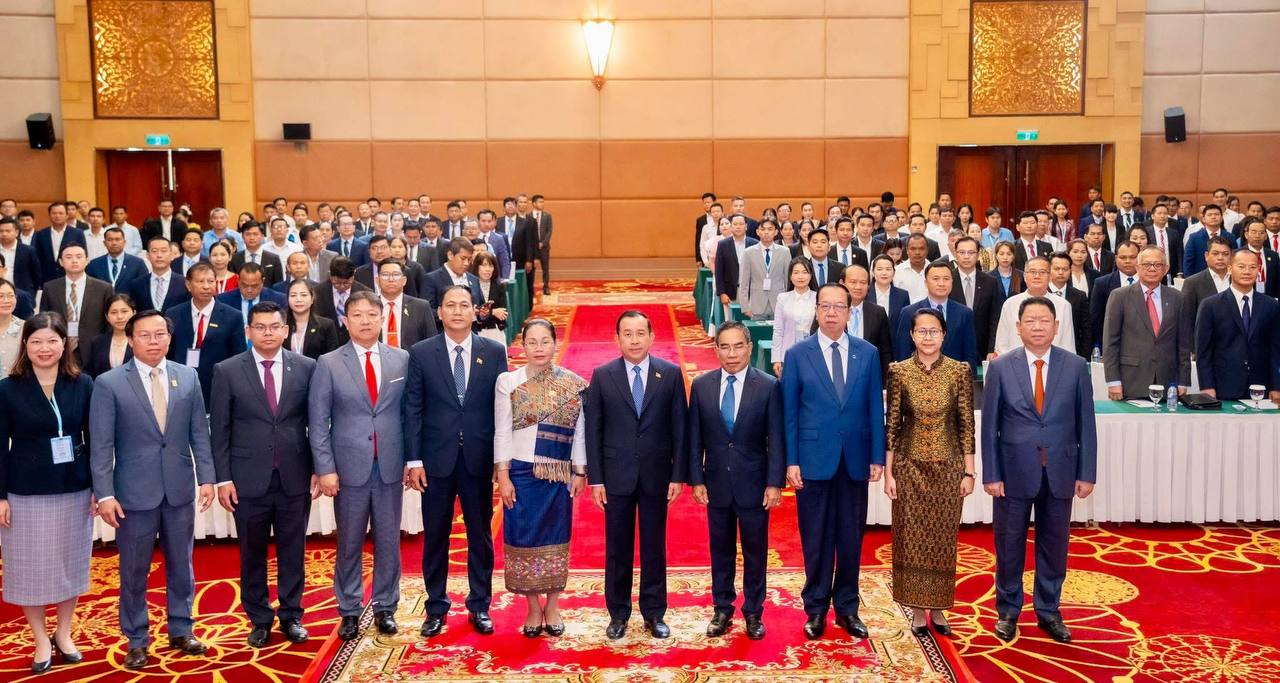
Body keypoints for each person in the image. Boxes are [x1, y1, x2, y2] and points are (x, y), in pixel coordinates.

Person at [90, 309, 215, 670]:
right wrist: (105, 494)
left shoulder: (187, 376)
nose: (153, 341)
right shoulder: (110, 383)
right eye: (145, 335)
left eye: (160, 334)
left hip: (178, 489)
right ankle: (136, 639)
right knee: (134, 569)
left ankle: (182, 629)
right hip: (133, 493)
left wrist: (207, 477)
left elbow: (199, 433)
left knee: (182, 565)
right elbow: (101, 444)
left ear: (170, 338)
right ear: (130, 340)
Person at [982, 296, 1097, 644]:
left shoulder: (1075, 366)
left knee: (1054, 545)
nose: (1037, 327)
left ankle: (1049, 610)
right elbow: (989, 427)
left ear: (1056, 327)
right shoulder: (1001, 368)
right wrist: (991, 474)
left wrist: (1087, 472)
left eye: (1044, 321)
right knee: (1009, 544)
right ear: (1018, 327)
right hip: (1013, 472)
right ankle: (1008, 611)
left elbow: (1086, 423)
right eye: (1030, 321)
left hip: (1061, 471)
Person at [210, 302, 317, 648]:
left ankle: (291, 615)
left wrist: (319, 468)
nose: (267, 333)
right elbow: (220, 431)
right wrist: (223, 479)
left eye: (274, 326)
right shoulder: (227, 370)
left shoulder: (306, 367)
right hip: (246, 478)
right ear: (248, 331)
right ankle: (258, 618)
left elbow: (316, 424)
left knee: (293, 550)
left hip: (294, 475)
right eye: (260, 327)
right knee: (251, 552)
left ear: (286, 330)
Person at [404, 285, 508, 637]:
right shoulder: (421, 352)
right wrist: (414, 460)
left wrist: (500, 460)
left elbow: (502, 409)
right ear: (440, 312)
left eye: (465, 305)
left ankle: (480, 605)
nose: (458, 311)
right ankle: (436, 607)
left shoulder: (493, 351)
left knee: (480, 535)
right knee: (436, 535)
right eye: (451, 305)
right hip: (435, 461)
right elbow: (413, 408)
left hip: (478, 459)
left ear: (475, 311)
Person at [782, 283, 885, 640]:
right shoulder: (798, 354)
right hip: (813, 460)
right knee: (816, 537)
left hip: (855, 459)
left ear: (849, 312)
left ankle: (847, 608)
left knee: (851, 538)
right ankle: (815, 609)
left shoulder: (867, 353)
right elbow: (789, 413)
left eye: (839, 307)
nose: (831, 313)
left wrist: (877, 455)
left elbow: (874, 407)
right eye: (825, 306)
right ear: (815, 310)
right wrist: (791, 460)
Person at [308, 291, 409, 641]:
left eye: (371, 314)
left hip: (389, 465)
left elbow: (409, 415)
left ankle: (385, 607)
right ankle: (349, 609)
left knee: (388, 541)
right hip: (348, 468)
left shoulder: (401, 359)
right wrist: (325, 468)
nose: (365, 321)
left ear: (382, 318)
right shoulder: (329, 363)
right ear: (345, 321)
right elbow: (318, 421)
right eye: (357, 315)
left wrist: (412, 460)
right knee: (349, 542)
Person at [584, 310, 688, 640]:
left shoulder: (669, 374)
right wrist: (596, 479)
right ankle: (618, 614)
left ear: (652, 337)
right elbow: (593, 430)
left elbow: (680, 429)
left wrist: (677, 475)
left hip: (657, 475)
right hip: (616, 476)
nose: (634, 340)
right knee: (618, 547)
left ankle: (654, 613)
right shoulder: (603, 375)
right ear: (617, 339)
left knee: (654, 546)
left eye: (640, 333)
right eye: (627, 334)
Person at [0, 313, 95, 673]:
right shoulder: (7, 388)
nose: (45, 348)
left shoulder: (82, 383)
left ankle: (64, 632)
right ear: (25, 344)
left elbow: (96, 439)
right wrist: (0, 496)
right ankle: (40, 637)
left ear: (64, 344)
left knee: (70, 563)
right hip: (25, 489)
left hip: (74, 486)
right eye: (37, 341)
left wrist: (99, 488)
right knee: (29, 567)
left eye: (52, 341)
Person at [688, 321, 784, 640]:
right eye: (725, 347)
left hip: (755, 484)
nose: (731, 354)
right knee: (721, 550)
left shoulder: (768, 386)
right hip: (716, 484)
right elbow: (694, 438)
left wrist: (774, 483)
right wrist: (696, 479)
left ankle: (754, 612)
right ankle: (722, 608)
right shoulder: (701, 386)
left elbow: (776, 439)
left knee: (756, 551)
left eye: (738, 346)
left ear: (749, 347)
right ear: (716, 350)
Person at [491, 319, 586, 637]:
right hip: (520, 473)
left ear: (555, 344)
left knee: (556, 538)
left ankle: (553, 605)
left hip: (557, 475)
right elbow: (502, 430)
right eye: (532, 342)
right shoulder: (508, 382)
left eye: (545, 341)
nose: (539, 348)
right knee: (523, 538)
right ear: (522, 345)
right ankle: (533, 607)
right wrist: (503, 475)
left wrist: (580, 470)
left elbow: (579, 433)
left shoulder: (572, 384)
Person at [883, 308, 974, 637]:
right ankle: (918, 611)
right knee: (910, 540)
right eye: (921, 331)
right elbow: (892, 425)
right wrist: (889, 473)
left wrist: (969, 472)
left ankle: (938, 607)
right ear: (911, 335)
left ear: (944, 335)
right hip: (909, 468)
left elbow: (966, 424)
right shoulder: (899, 372)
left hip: (949, 469)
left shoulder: (959, 371)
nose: (927, 337)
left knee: (942, 541)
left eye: (934, 331)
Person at [1102, 246, 1192, 399]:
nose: (1152, 269)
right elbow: (1110, 342)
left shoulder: (1178, 298)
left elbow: (1183, 344)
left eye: (1158, 265)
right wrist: (1113, 381)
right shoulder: (1120, 296)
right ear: (1137, 267)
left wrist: (1183, 382)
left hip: (1168, 382)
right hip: (1130, 381)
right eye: (1146, 264)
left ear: (1166, 269)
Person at [1194, 249, 1280, 402]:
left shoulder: (1271, 305)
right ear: (1229, 269)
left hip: (1261, 387)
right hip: (1223, 386)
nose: (1247, 271)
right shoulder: (1210, 305)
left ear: (1258, 271)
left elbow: (1275, 350)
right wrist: (1207, 386)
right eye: (1241, 267)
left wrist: (1276, 386)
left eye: (1252, 267)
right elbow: (1203, 351)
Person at [165, 263, 248, 404]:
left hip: (218, 385)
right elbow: (168, 352)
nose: (206, 286)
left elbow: (239, 356)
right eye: (200, 281)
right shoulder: (173, 314)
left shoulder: (232, 316)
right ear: (188, 285)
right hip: (180, 385)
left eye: (210, 281)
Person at [39, 243, 114, 368]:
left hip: (93, 350)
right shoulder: (50, 288)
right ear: (61, 262)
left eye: (79, 256)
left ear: (87, 260)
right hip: (60, 350)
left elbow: (109, 323)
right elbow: (44, 320)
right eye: (69, 257)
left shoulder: (103, 288)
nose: (74, 260)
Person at [893, 263, 979, 370]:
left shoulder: (965, 313)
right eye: (936, 279)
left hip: (954, 376)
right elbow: (903, 353)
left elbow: (970, 355)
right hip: (919, 376)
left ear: (952, 282)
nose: (941, 283)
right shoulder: (909, 312)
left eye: (946, 279)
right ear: (926, 283)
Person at [992, 256, 1076, 357]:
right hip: (1016, 363)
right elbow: (1002, 344)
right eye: (1032, 272)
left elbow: (1068, 345)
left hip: (1054, 363)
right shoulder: (1010, 304)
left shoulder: (1063, 305)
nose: (1037, 276)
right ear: (1024, 276)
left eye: (1042, 272)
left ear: (1050, 276)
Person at [738, 218, 791, 320]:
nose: (766, 232)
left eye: (770, 229)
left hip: (779, 304)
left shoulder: (785, 252)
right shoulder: (748, 253)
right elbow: (743, 282)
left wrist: (788, 305)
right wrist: (745, 307)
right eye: (763, 229)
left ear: (776, 232)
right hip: (756, 305)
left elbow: (788, 281)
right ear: (757, 232)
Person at [771, 260, 816, 376]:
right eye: (796, 272)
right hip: (789, 351)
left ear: (811, 275)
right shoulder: (782, 298)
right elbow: (778, 330)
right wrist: (776, 359)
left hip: (813, 352)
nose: (800, 276)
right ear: (790, 276)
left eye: (805, 272)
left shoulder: (818, 297)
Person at [283, 278, 340, 359]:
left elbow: (332, 358)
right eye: (293, 295)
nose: (298, 299)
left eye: (303, 295)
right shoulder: (281, 325)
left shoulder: (326, 325)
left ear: (312, 298)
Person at [86, 294, 135, 377]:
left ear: (134, 313)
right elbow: (90, 371)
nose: (119, 317)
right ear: (107, 317)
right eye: (114, 312)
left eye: (124, 311)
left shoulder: (142, 340)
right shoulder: (97, 342)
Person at [470, 251, 509, 344]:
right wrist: (493, 312)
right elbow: (472, 311)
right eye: (484, 265)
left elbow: (502, 314)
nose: (488, 269)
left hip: (495, 330)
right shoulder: (470, 285)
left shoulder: (499, 286)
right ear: (477, 266)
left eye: (491, 266)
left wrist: (486, 313)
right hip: (475, 331)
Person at [0, 280, 23, 375]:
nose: (6, 301)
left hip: (18, 382)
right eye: (0, 296)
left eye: (11, 296)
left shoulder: (25, 328)